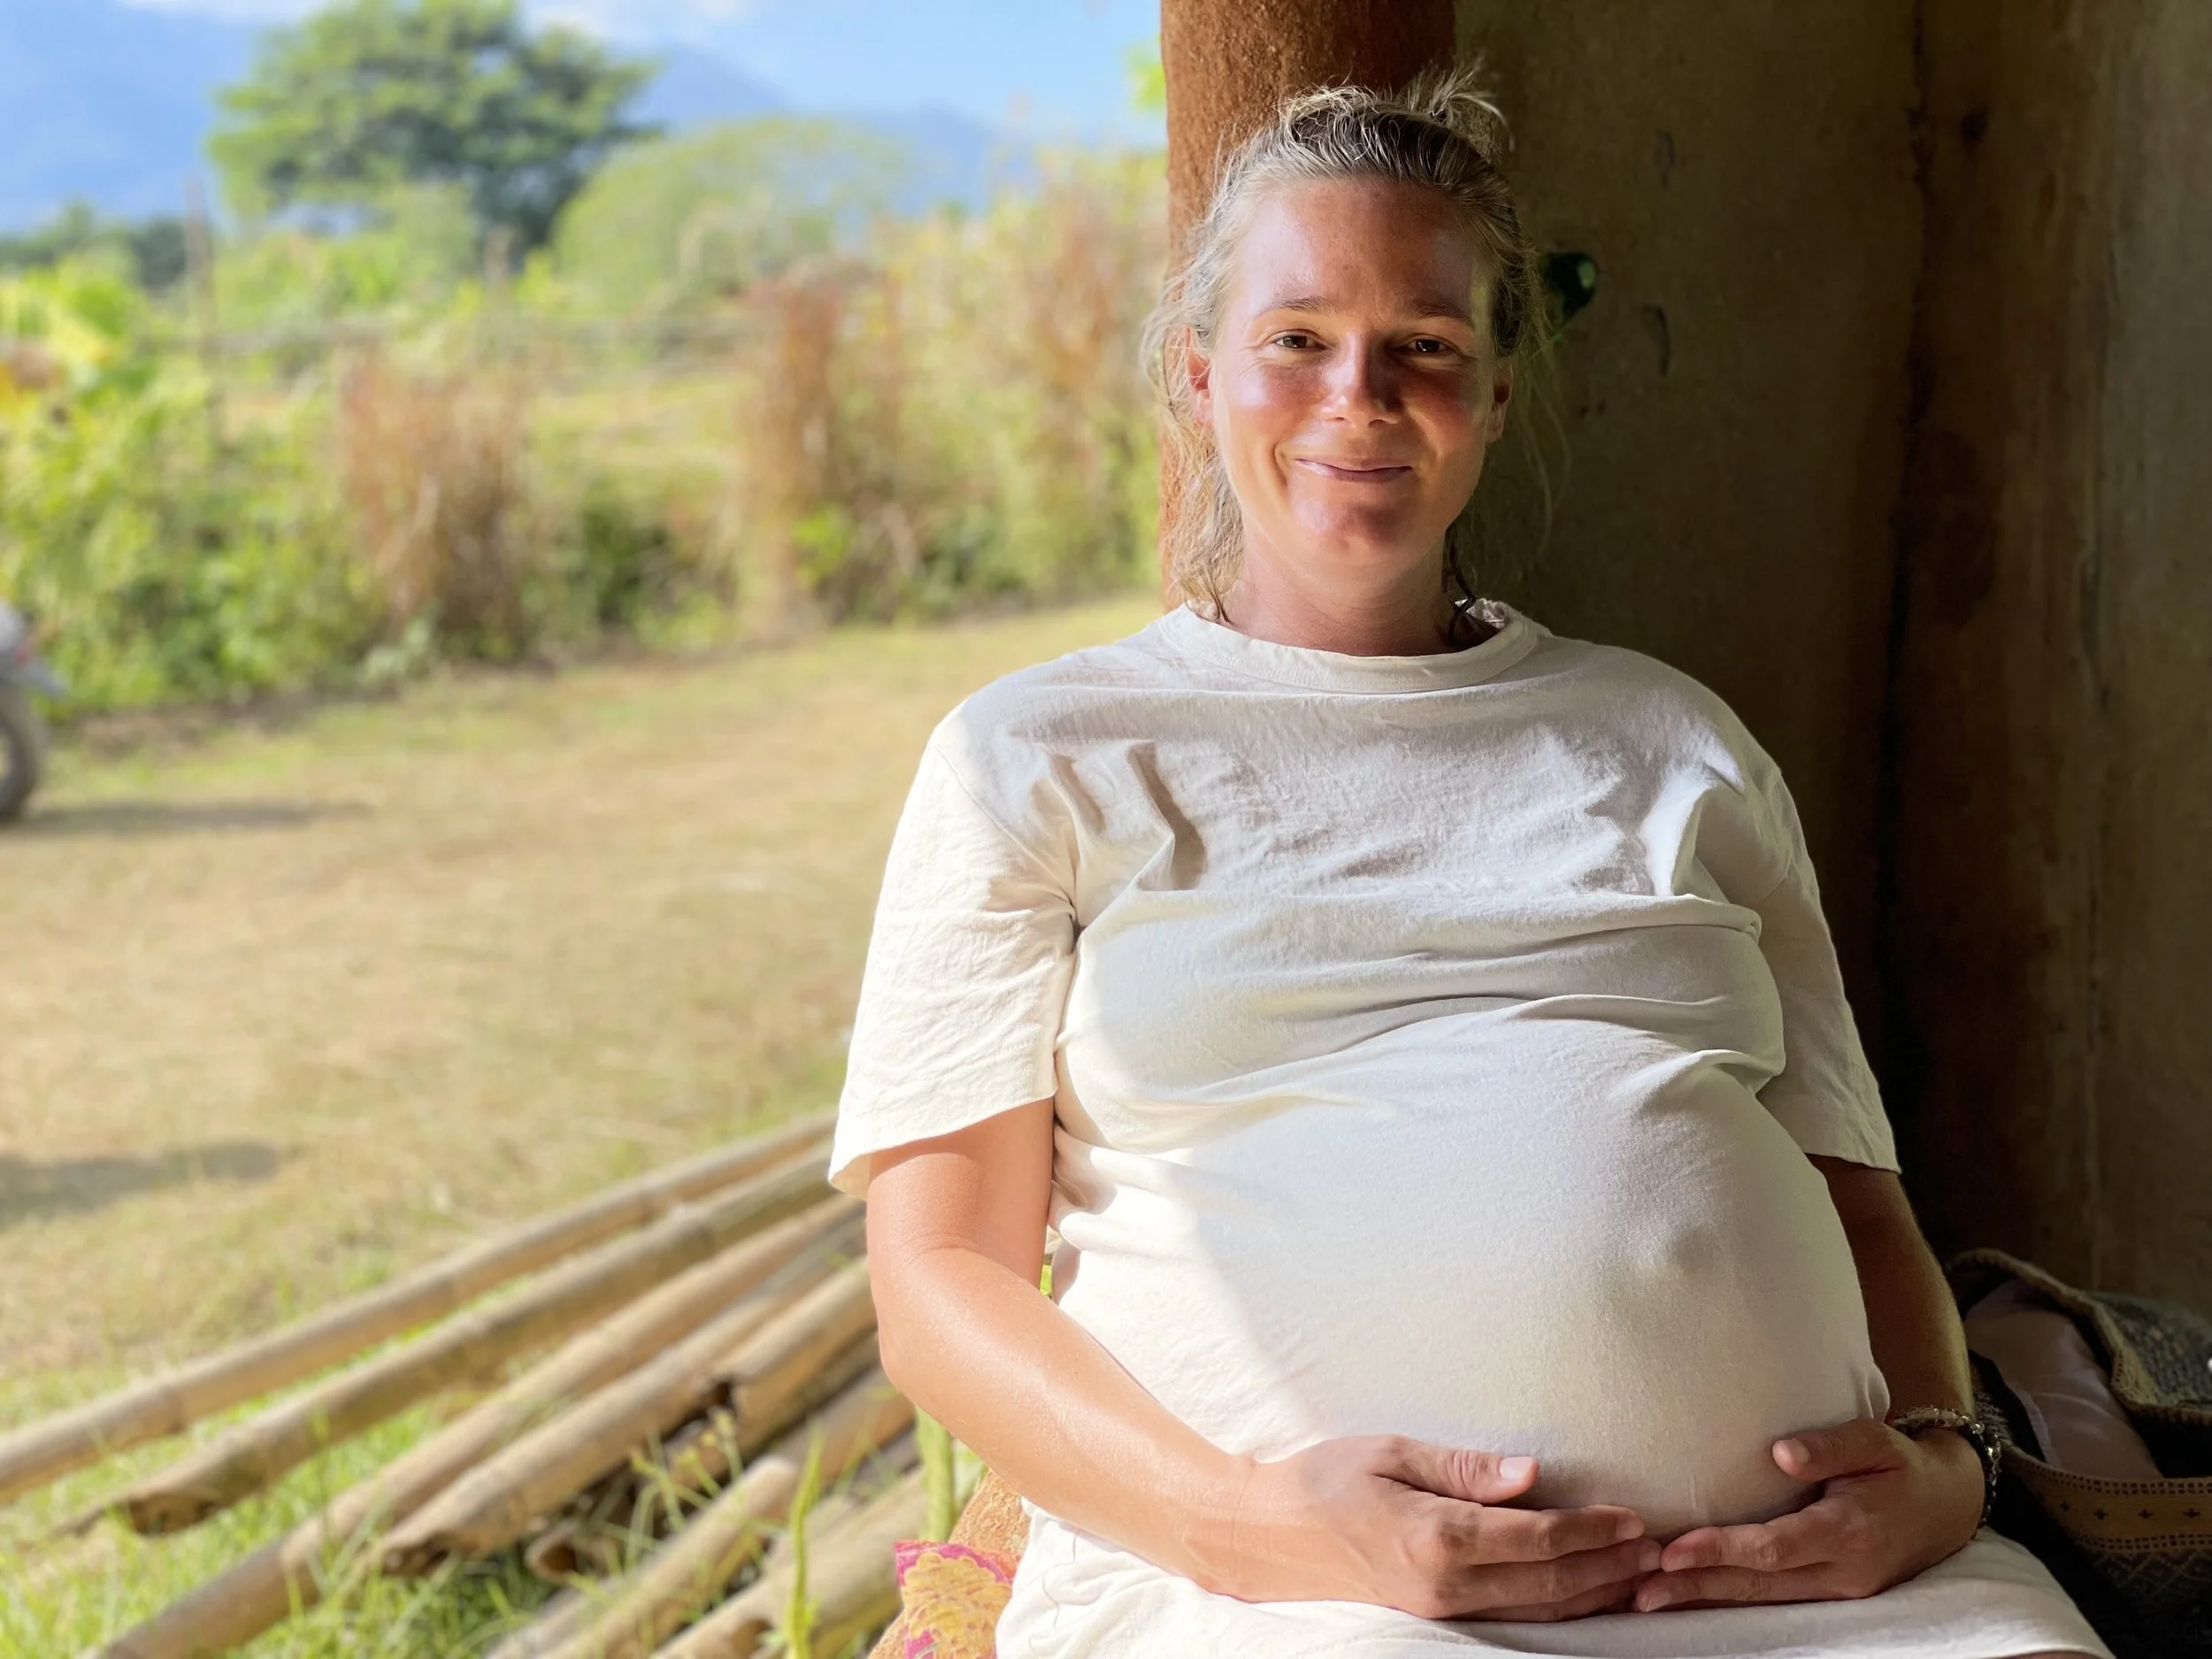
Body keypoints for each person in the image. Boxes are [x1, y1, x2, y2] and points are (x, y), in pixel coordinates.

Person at [829, 73, 2109, 1659]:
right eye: (1296, 337)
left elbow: (1858, 1200)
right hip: (1288, 1594)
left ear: (1498, 392)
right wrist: (1241, 1521)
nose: (1357, 394)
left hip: (1821, 1587)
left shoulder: (1674, 740)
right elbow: (941, 1280)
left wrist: (1943, 1469)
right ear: (1199, 371)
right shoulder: (1036, 754)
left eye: (1425, 347)